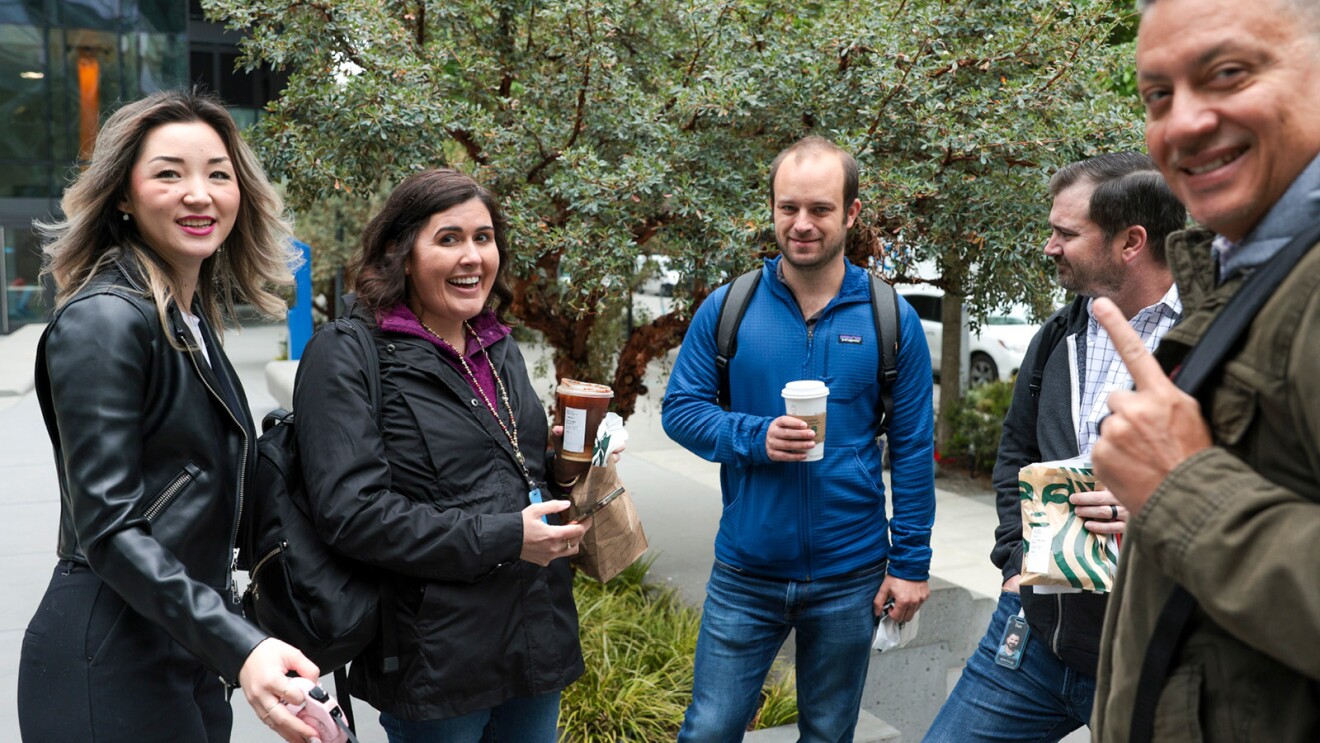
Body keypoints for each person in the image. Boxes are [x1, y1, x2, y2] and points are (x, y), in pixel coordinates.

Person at [16, 89, 320, 742]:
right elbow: (111, 527)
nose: (199, 193)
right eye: (168, 173)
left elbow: (208, 491)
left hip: (182, 646)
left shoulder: (187, 320)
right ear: (123, 195)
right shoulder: (106, 319)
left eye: (218, 172)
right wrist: (240, 645)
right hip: (110, 659)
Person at [1089, 0, 1320, 740]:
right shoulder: (1245, 270)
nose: (1182, 123)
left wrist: (1182, 492)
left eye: (1227, 73)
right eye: (1158, 95)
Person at [293, 168, 590, 742]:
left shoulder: (495, 343)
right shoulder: (347, 355)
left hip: (535, 639)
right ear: (402, 254)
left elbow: (512, 468)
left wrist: (570, 460)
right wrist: (508, 536)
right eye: (448, 238)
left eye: (483, 237)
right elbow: (351, 515)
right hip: (437, 660)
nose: (473, 256)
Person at [662, 135, 936, 742]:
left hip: (852, 572)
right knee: (708, 730)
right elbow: (680, 409)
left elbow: (915, 448)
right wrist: (755, 436)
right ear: (773, 209)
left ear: (852, 214)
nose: (802, 224)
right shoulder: (729, 306)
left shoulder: (891, 318)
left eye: (820, 209)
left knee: (829, 734)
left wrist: (911, 562)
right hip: (746, 571)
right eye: (789, 208)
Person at [922, 152, 1186, 742]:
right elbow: (1016, 454)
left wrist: (1151, 508)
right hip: (1036, 641)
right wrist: (1016, 560)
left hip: (1156, 663)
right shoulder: (1058, 335)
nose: (1050, 245)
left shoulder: (1215, 342)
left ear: (1131, 241)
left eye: (1065, 233)